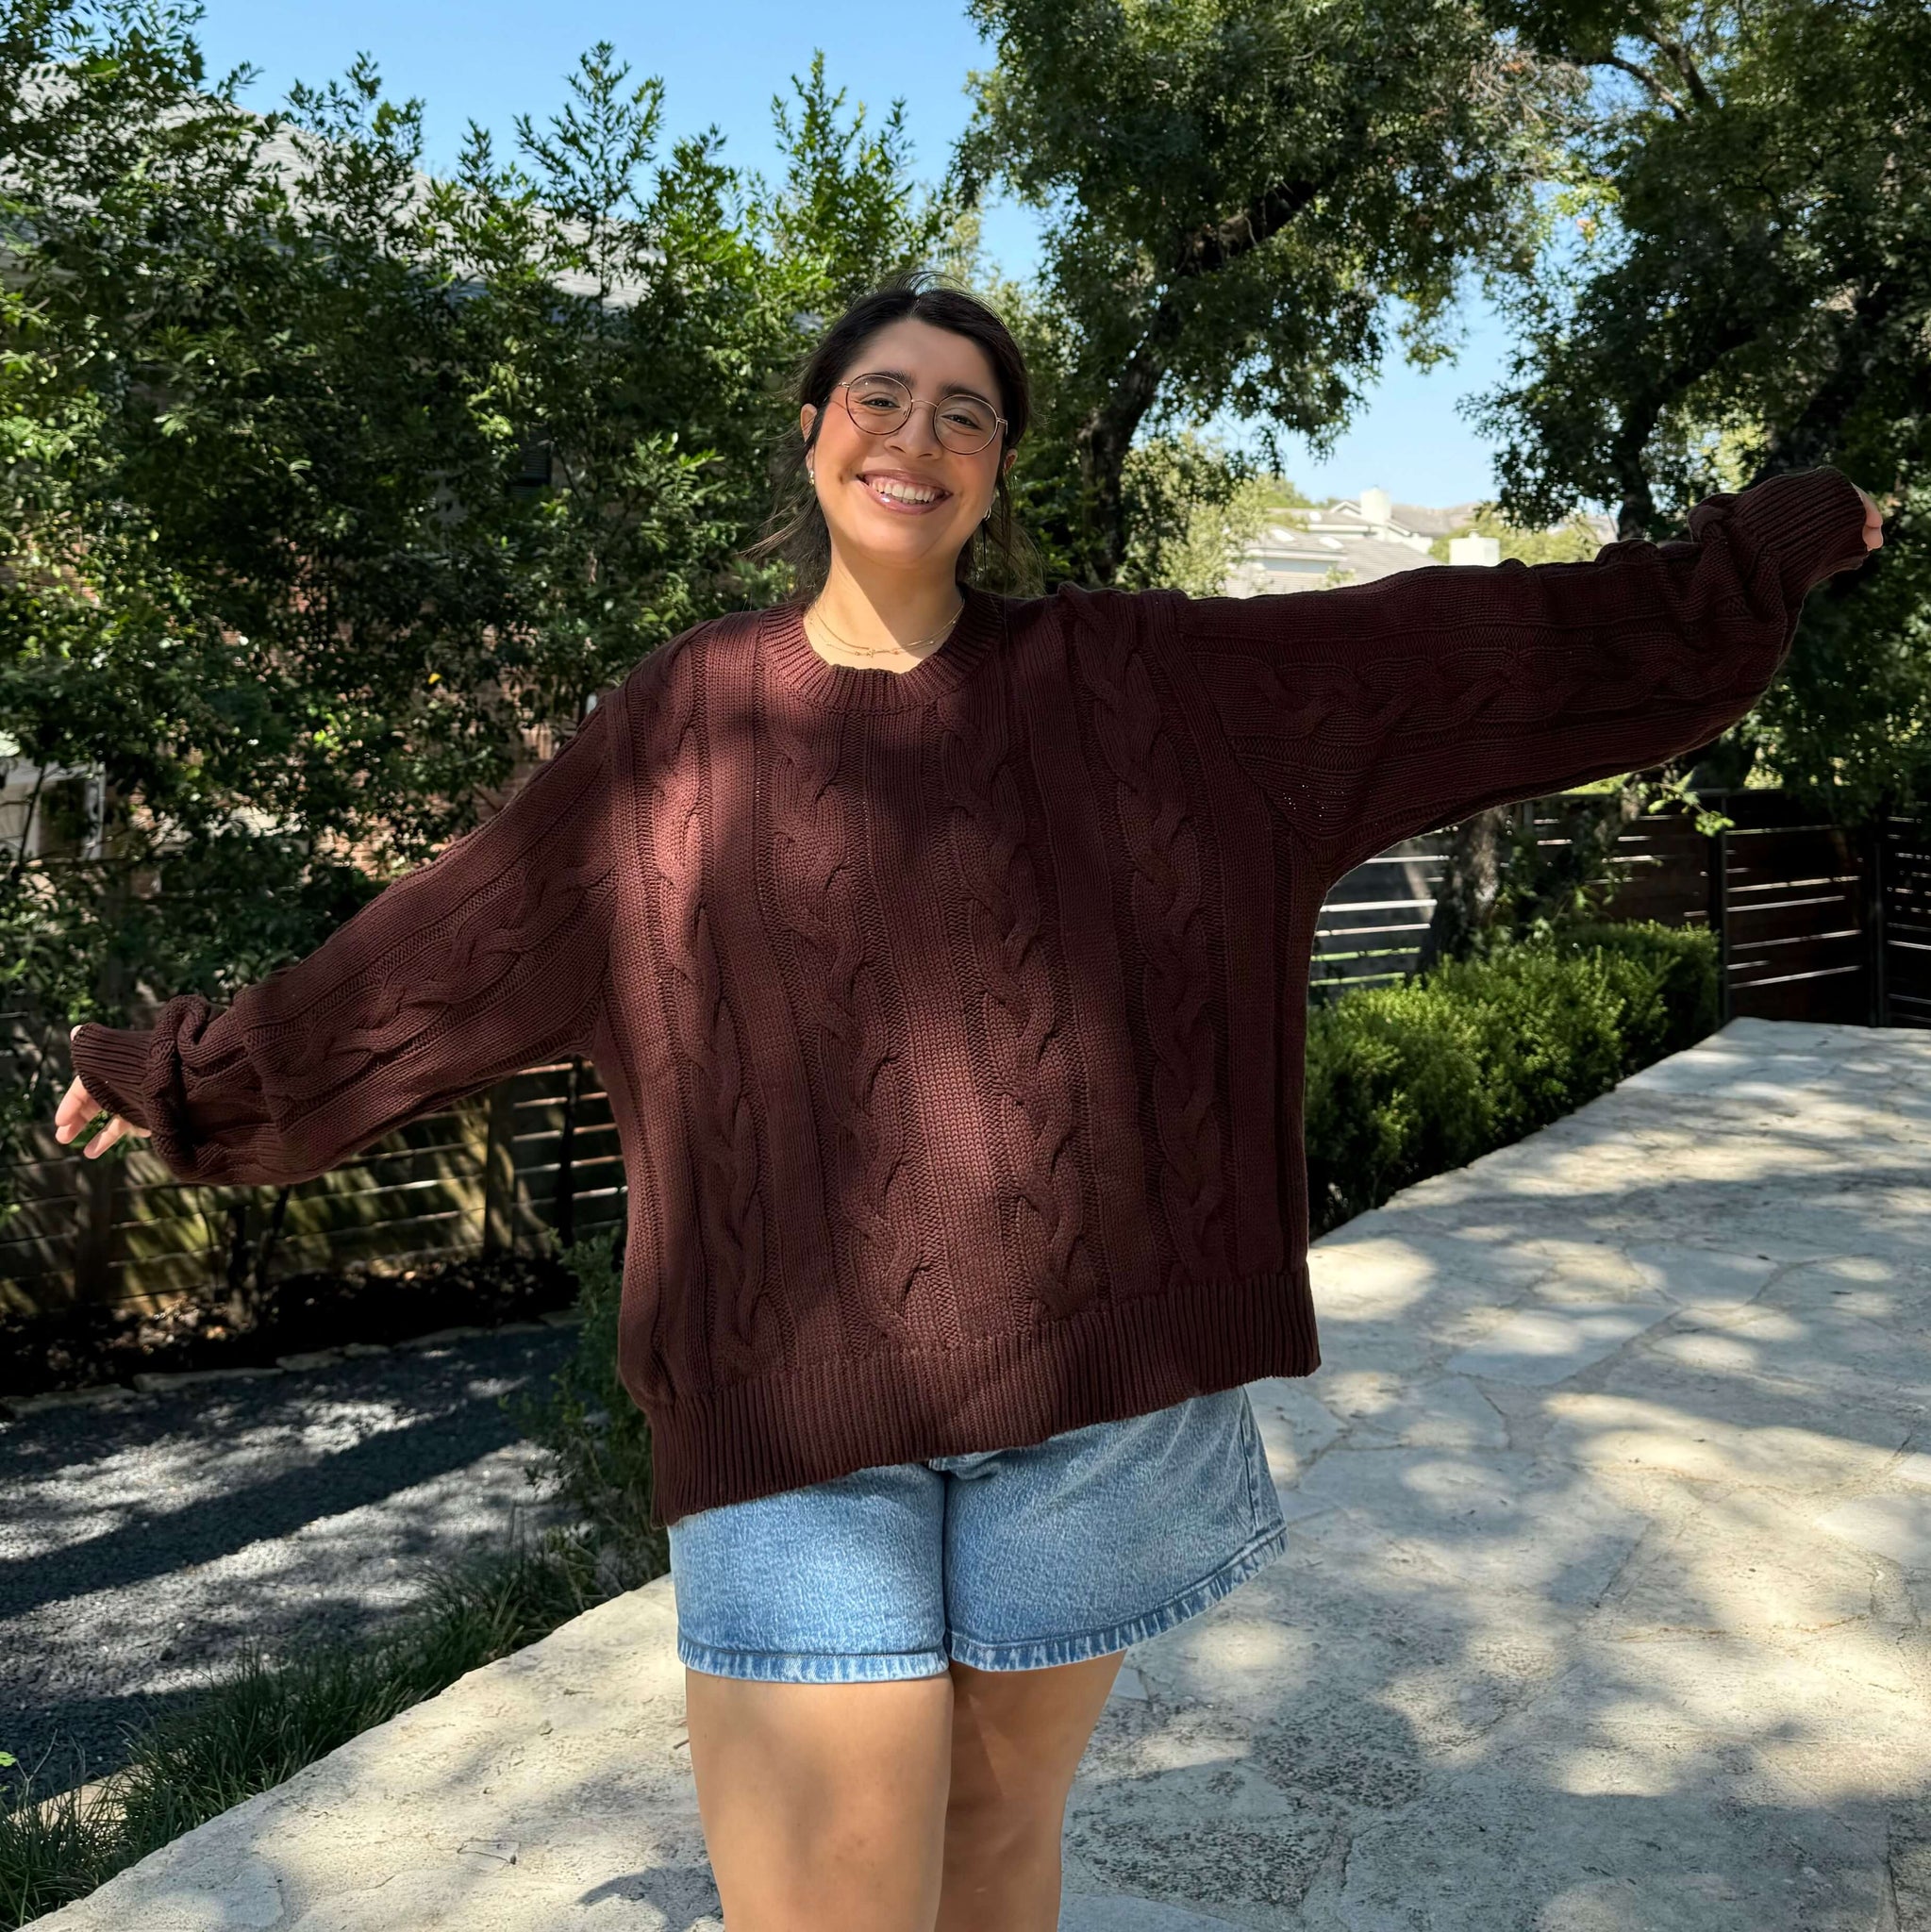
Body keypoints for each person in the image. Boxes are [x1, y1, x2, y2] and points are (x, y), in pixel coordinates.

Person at [55, 269, 1884, 1932]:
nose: (915, 435)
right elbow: (452, 947)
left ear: (999, 469)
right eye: (881, 396)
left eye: (964, 412)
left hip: (1097, 1402)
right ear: (813, 431)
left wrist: (1745, 564)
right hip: (790, 1406)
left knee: (997, 1845)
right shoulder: (688, 725)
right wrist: (193, 1080)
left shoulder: (1151, 685)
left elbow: (1459, 655)